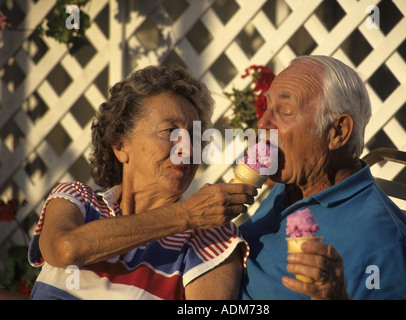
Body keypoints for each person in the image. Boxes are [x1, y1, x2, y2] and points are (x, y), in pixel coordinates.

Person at [28, 65, 257, 300]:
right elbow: (66, 249)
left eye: (195, 138)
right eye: (170, 131)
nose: (187, 150)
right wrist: (186, 214)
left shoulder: (210, 237)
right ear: (120, 145)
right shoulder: (79, 199)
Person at [239, 55, 406, 300]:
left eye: (284, 111)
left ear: (337, 131)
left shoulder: (384, 243)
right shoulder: (292, 185)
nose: (262, 123)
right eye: (267, 108)